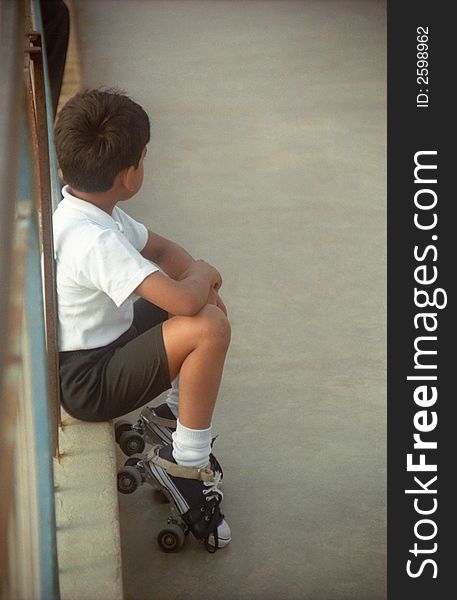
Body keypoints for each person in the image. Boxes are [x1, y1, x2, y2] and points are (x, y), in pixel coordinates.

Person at [53, 88, 231, 552]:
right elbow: (181, 299)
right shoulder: (92, 239)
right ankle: (185, 465)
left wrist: (198, 280)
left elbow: (163, 251)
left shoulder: (90, 210)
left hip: (109, 343)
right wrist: (203, 274)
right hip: (90, 380)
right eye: (145, 157)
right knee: (207, 325)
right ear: (130, 174)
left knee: (208, 306)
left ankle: (174, 413)